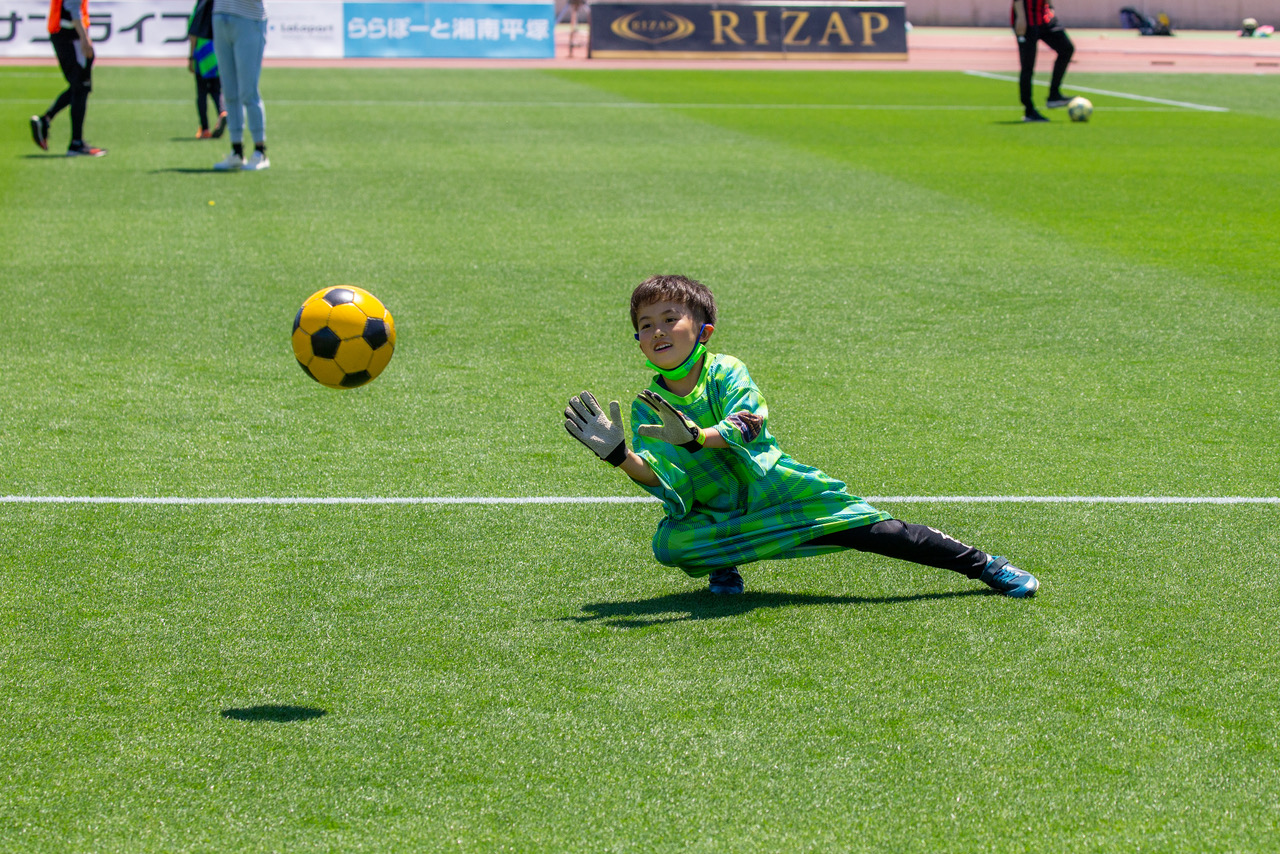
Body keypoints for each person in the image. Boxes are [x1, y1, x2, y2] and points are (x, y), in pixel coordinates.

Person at [564, 275, 1039, 598]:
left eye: (670, 318)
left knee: (876, 530)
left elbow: (747, 425)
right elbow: (660, 478)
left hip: (778, 488)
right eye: (645, 325)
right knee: (670, 546)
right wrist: (619, 455)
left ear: (704, 331)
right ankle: (723, 560)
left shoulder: (726, 370)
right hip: (720, 507)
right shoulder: (649, 403)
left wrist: (696, 436)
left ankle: (983, 565)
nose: (657, 330)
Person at [28, 0, 105, 156]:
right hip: (70, 35)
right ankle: (76, 143)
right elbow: (73, 8)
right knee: (81, 87)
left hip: (65, 33)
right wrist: (84, 38)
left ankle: (46, 120)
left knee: (79, 87)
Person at [211, 0, 268, 170]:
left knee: (248, 91)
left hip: (248, 18)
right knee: (229, 91)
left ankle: (260, 151)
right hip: (221, 17)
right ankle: (236, 150)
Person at [1012, 0, 1074, 123]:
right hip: (1026, 18)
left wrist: (1049, 7)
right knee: (1027, 66)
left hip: (1043, 17)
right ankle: (1029, 111)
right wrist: (1020, 16)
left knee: (1066, 48)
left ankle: (1054, 95)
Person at [187, 0, 227, 139]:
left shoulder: (200, 8)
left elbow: (193, 34)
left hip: (203, 54)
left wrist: (191, 57)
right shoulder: (220, 8)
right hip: (218, 53)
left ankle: (204, 129)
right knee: (216, 89)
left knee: (202, 92)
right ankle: (222, 112)